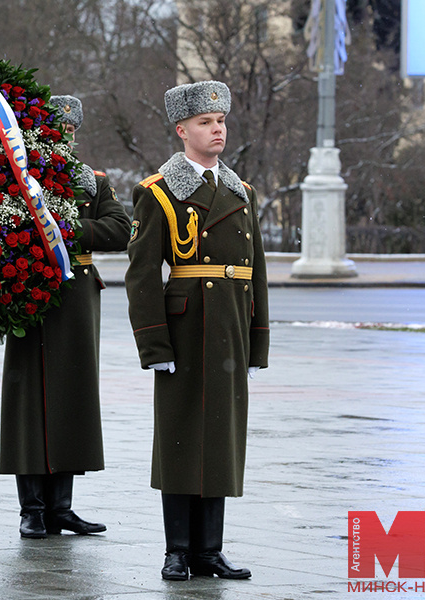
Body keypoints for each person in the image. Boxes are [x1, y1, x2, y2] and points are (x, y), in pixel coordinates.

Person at [124, 81, 269, 580]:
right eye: (206, 123)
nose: (217, 130)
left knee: (222, 439)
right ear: (182, 130)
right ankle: (178, 550)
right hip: (186, 331)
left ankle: (210, 549)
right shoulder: (157, 191)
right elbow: (142, 275)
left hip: (229, 325)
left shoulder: (241, 192)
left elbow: (257, 272)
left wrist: (257, 339)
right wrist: (153, 342)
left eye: (222, 122)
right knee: (182, 438)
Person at [0, 94, 131, 538]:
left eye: (72, 130)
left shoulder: (92, 179)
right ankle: (32, 507)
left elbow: (119, 230)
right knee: (29, 400)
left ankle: (61, 507)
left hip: (77, 300)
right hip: (30, 289)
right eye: (59, 129)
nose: (66, 137)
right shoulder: (18, 177)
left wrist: (61, 229)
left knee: (71, 398)